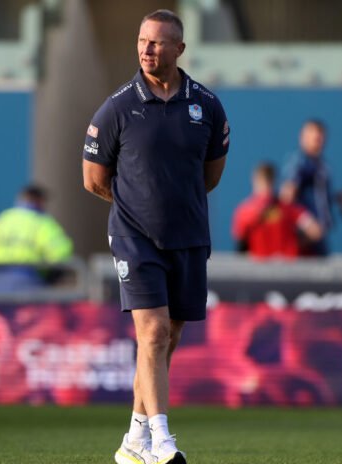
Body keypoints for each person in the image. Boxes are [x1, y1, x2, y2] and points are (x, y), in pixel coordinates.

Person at [82, 9, 229, 464]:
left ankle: (133, 440)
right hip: (134, 238)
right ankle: (163, 442)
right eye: (142, 40)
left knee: (167, 337)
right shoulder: (117, 107)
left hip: (188, 235)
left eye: (158, 42)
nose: (147, 49)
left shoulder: (206, 106)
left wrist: (174, 205)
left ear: (179, 49)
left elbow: (210, 175)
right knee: (154, 332)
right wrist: (137, 207)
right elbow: (93, 179)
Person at [0, 184, 73, 292]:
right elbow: (61, 253)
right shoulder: (42, 222)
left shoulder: (1, 219)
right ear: (39, 201)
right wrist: (49, 277)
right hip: (30, 282)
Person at [280, 119, 342, 256]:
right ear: (303, 137)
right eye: (313, 136)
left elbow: (317, 195)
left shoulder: (323, 165)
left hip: (319, 235)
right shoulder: (299, 162)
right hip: (302, 236)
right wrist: (305, 221)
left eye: (320, 136)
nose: (317, 140)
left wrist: (337, 198)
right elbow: (286, 197)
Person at [232, 162, 322, 259]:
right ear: (274, 181)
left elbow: (240, 243)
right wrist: (292, 243)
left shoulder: (244, 210)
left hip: (260, 265)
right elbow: (315, 231)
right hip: (287, 264)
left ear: (255, 180)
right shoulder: (288, 206)